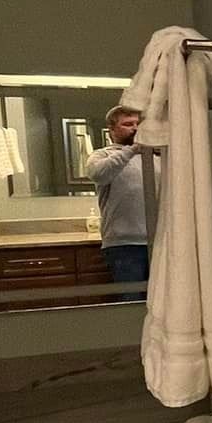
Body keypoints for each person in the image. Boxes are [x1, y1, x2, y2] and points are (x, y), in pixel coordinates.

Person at [87, 106, 156, 287]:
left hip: (160, 242)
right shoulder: (102, 155)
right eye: (127, 124)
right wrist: (131, 150)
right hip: (124, 245)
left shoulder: (155, 157)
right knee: (130, 298)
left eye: (137, 124)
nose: (135, 128)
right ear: (111, 130)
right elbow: (98, 174)